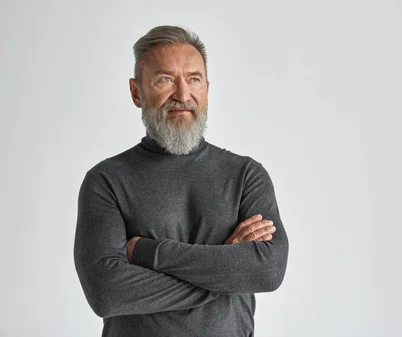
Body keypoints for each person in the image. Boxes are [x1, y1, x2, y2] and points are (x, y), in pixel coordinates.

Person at [73, 25, 289, 337]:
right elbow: (106, 294)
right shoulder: (106, 180)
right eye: (164, 79)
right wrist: (227, 273)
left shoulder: (245, 175)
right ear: (137, 92)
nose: (182, 94)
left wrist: (148, 253)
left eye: (193, 79)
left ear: (207, 89)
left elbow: (267, 271)